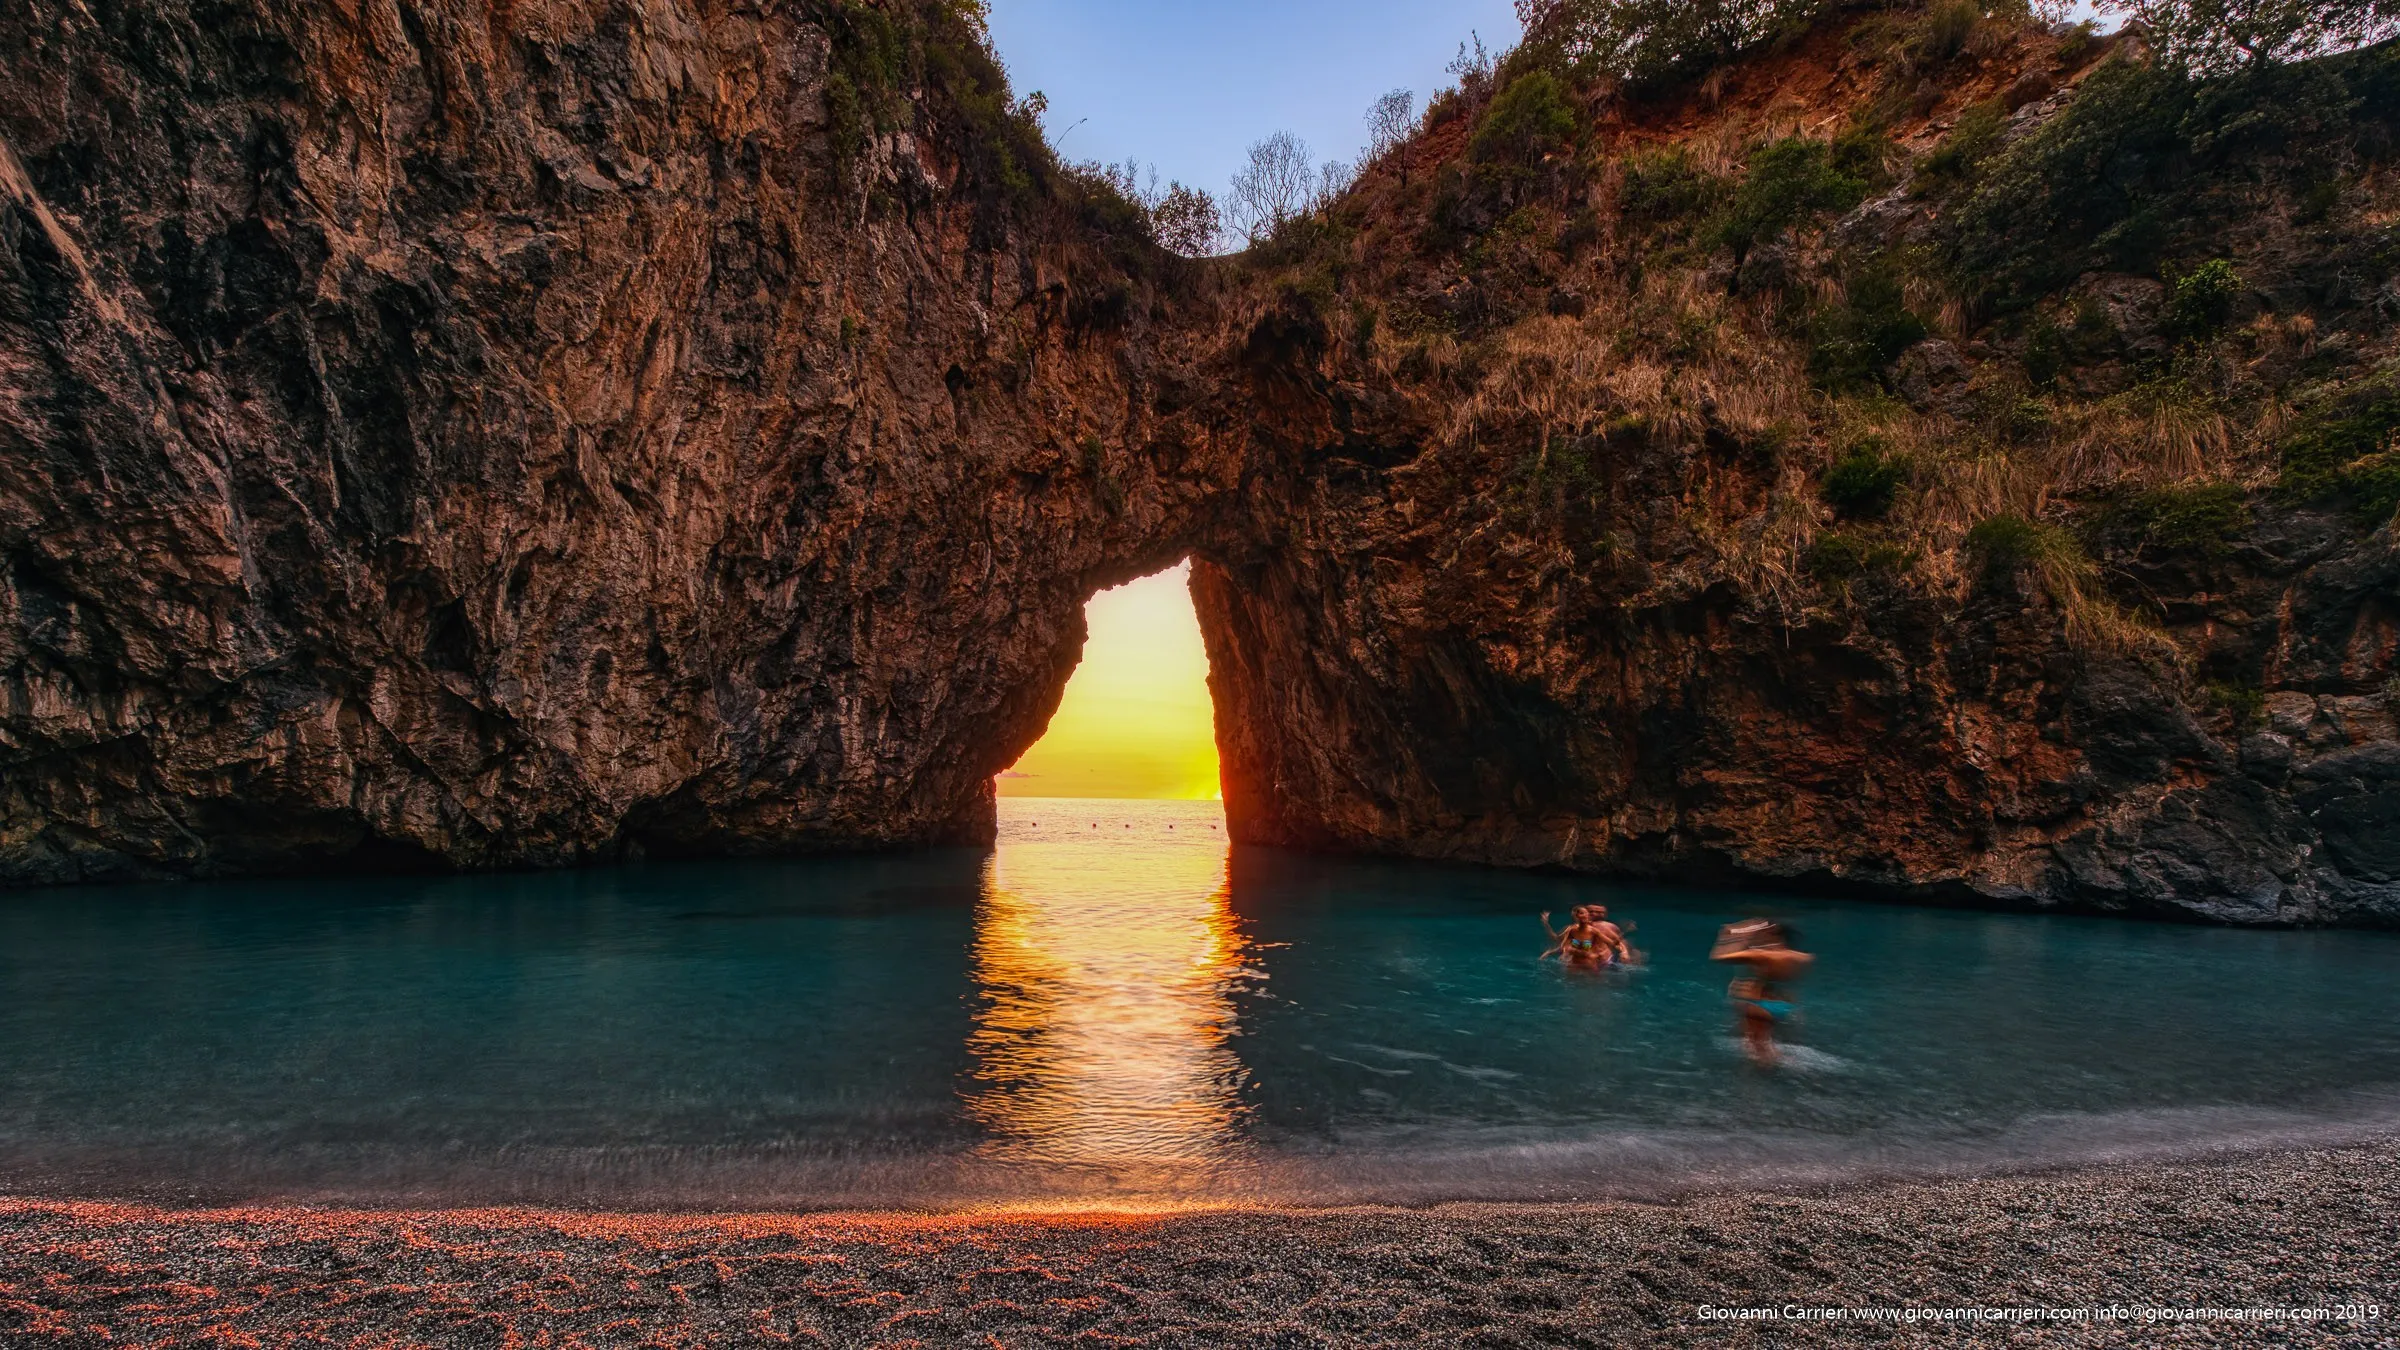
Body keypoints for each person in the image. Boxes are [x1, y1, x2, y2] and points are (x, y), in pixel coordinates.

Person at [1711, 919, 1812, 1066]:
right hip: (1784, 1005)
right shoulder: (1797, 956)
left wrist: (1730, 936)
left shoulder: (1759, 955)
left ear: (1772, 935)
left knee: (1754, 1047)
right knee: (1766, 1043)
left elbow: (1719, 957)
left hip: (1757, 1005)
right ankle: (1777, 1065)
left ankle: (1758, 1080)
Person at [1541, 906, 1617, 967]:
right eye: (1578, 914)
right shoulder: (1571, 930)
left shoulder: (1594, 931)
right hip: (1573, 964)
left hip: (1589, 964)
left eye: (1584, 913)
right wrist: (1546, 924)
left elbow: (1610, 943)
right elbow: (1559, 941)